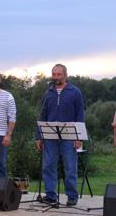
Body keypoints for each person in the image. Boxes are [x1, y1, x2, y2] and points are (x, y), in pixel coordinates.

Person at [36, 64, 84, 206]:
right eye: (54, 74)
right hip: (50, 136)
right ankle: (50, 195)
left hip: (69, 135)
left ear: (65, 75)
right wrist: (39, 136)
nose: (56, 77)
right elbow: (42, 115)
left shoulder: (75, 92)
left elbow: (80, 115)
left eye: (58, 74)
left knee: (70, 167)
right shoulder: (48, 93)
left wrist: (79, 136)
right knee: (48, 165)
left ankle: (72, 196)